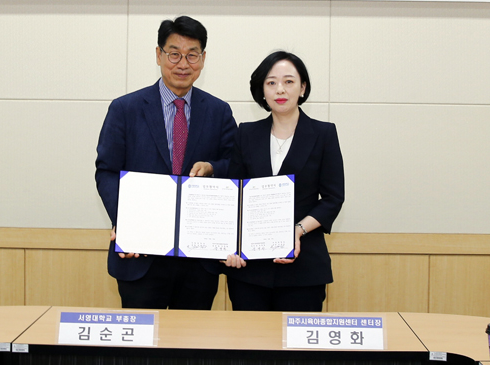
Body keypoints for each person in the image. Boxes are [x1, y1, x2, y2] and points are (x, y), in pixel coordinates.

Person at [95, 16, 237, 309]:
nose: (183, 64)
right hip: (142, 254)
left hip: (198, 258)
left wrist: (212, 168)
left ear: (203, 59)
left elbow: (235, 165)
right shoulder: (125, 109)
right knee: (142, 337)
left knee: (192, 337)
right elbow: (107, 171)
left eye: (192, 55)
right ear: (158, 55)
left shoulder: (219, 111)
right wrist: (127, 222)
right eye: (174, 54)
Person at [222, 51, 344, 312]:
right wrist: (228, 246)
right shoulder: (246, 133)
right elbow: (233, 197)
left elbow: (333, 198)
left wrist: (297, 230)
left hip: (304, 268)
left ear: (303, 88)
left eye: (289, 81)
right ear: (262, 90)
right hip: (249, 269)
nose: (280, 89)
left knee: (297, 339)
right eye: (271, 82)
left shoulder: (324, 133)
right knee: (249, 338)